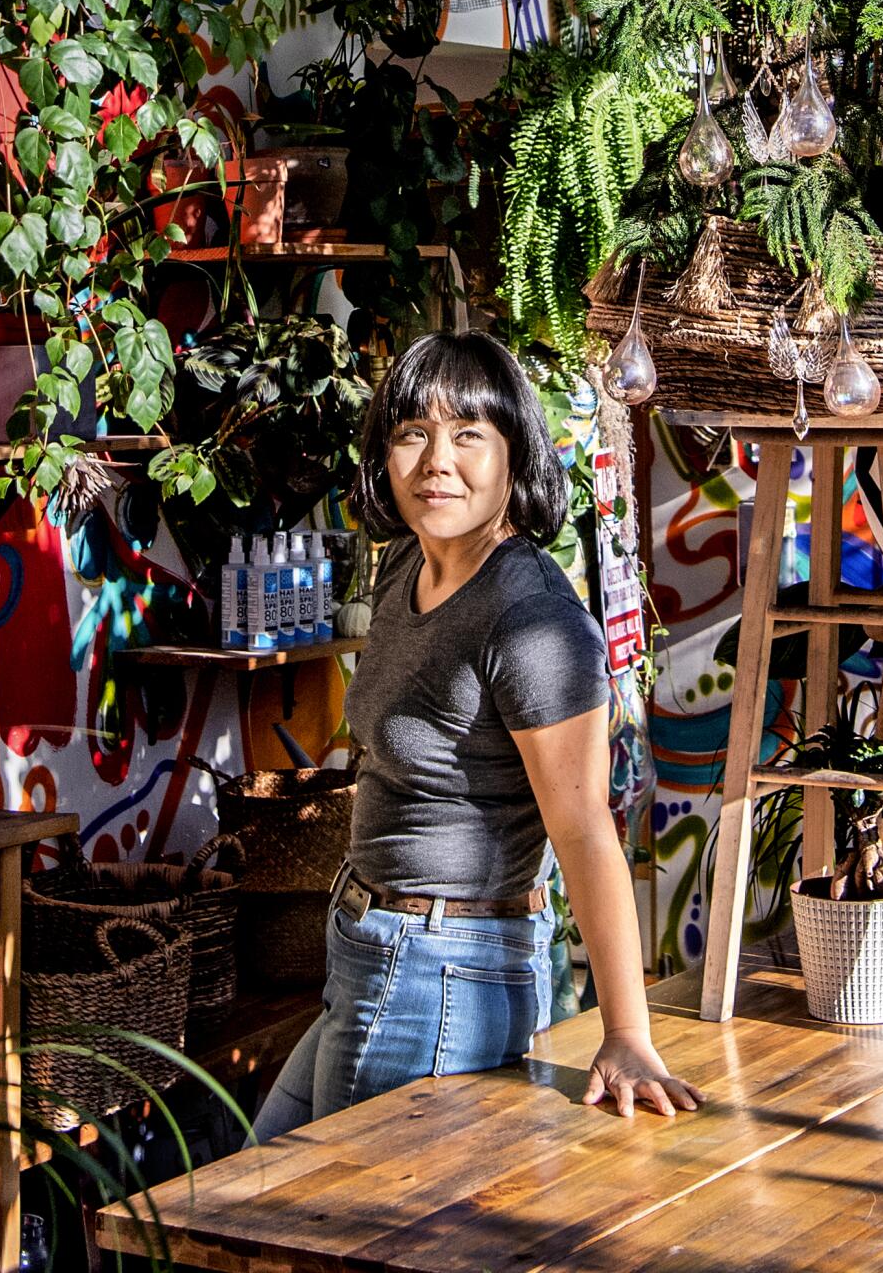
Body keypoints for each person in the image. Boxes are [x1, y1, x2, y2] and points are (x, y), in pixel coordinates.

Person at [250, 332, 703, 1142]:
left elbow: (585, 828)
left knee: (318, 1224)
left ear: (513, 456)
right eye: (411, 433)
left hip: (441, 967)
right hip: (368, 946)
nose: (436, 461)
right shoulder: (404, 568)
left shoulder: (530, 618)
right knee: (252, 1186)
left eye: (468, 434)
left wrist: (627, 1034)